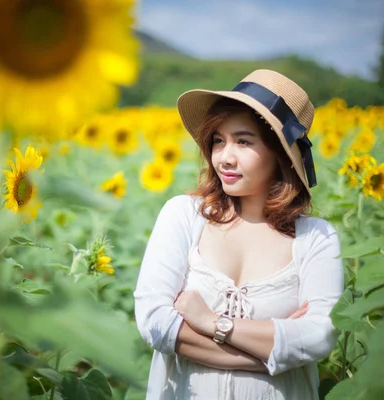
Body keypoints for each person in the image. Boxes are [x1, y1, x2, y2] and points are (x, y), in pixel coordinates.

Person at [133, 69, 345, 400]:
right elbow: (155, 322)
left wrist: (213, 322)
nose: (224, 158)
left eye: (243, 141)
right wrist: (273, 355)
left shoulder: (315, 237)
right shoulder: (184, 216)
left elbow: (320, 335)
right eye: (218, 140)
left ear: (280, 153)